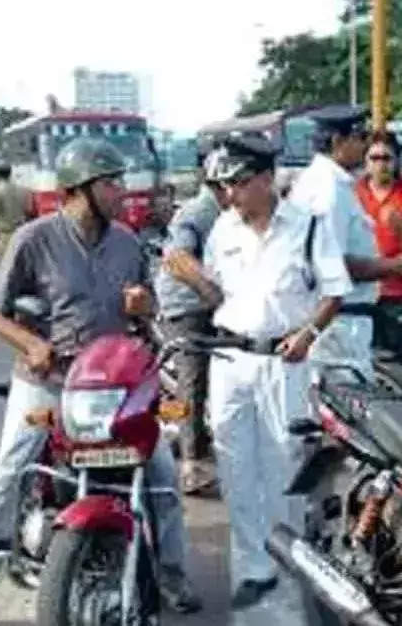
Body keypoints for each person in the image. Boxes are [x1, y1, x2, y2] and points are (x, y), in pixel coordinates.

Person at [0, 138, 200, 626]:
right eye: (110, 182)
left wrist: (144, 306)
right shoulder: (33, 239)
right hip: (48, 379)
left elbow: (148, 308)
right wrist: (30, 344)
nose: (120, 191)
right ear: (78, 189)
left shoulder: (128, 242)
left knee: (161, 477)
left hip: (114, 382)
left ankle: (173, 574)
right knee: (11, 467)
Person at [162, 134, 351, 617]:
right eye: (225, 186)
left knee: (284, 478)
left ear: (266, 180)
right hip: (230, 360)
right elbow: (219, 298)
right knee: (237, 475)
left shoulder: (307, 227)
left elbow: (334, 292)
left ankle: (289, 599)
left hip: (282, 363)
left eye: (239, 184)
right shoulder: (224, 229)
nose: (230, 195)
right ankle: (252, 590)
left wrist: (309, 332)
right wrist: (193, 279)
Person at [288, 105, 402, 380]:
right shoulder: (329, 190)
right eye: (360, 138)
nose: (365, 147)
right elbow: (332, 262)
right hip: (338, 323)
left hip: (336, 321)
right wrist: (395, 266)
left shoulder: (321, 182)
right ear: (338, 141)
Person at [153, 142, 232, 496]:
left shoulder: (226, 213)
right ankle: (190, 464)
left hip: (212, 305)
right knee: (193, 383)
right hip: (187, 306)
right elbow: (177, 258)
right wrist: (209, 289)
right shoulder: (200, 212)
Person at [354, 130, 402, 357]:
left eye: (386, 158)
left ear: (396, 161)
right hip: (356, 296)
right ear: (365, 161)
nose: (381, 165)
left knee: (397, 369)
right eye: (374, 158)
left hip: (395, 297)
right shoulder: (351, 193)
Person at [0, 163, 33, 270]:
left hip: (5, 237)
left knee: (0, 272)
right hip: (22, 235)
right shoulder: (23, 190)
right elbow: (29, 214)